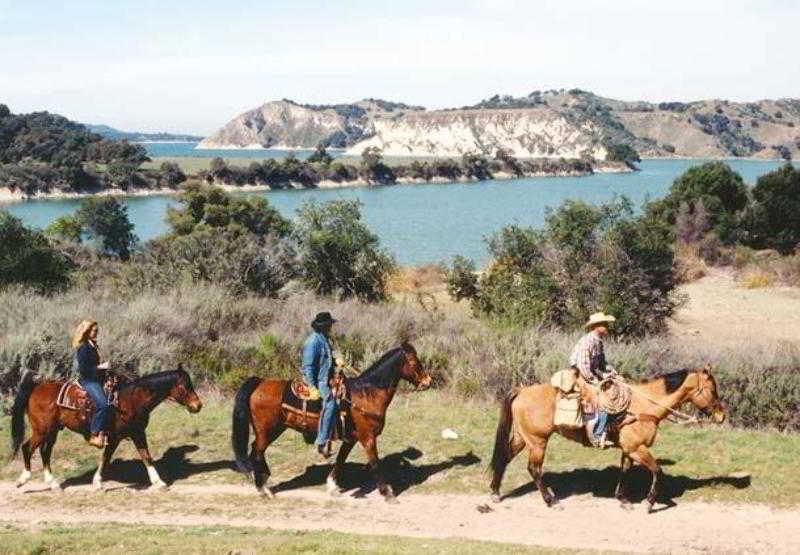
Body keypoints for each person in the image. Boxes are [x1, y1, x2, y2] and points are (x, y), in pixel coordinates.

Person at [569, 312, 617, 448]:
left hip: (591, 374)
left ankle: (610, 428)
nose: (607, 327)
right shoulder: (587, 341)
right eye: (604, 324)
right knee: (603, 399)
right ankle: (596, 434)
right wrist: (597, 380)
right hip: (581, 375)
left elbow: (602, 362)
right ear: (596, 326)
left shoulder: (598, 342)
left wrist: (610, 370)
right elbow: (583, 366)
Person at [301, 312, 339, 458]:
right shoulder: (313, 342)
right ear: (323, 326)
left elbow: (329, 356)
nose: (331, 327)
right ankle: (322, 441)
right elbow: (308, 367)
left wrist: (337, 359)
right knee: (330, 404)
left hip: (326, 378)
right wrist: (312, 387)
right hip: (318, 381)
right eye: (329, 324)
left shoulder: (324, 338)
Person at [72, 320, 112, 448]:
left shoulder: (93, 345)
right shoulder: (83, 347)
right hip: (89, 381)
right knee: (103, 404)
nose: (96, 333)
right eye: (94, 331)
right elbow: (84, 370)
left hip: (97, 379)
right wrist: (101, 367)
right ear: (87, 332)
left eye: (97, 331)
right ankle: (94, 434)